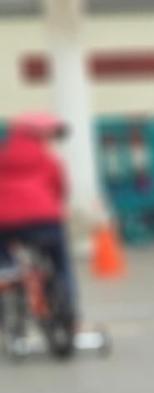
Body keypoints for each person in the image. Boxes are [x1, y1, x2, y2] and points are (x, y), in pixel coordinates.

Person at [0, 111, 76, 332]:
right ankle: (70, 316)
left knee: (6, 261)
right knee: (60, 265)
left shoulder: (3, 158)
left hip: (6, 223)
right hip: (46, 220)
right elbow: (60, 189)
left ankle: (7, 274)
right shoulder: (48, 160)